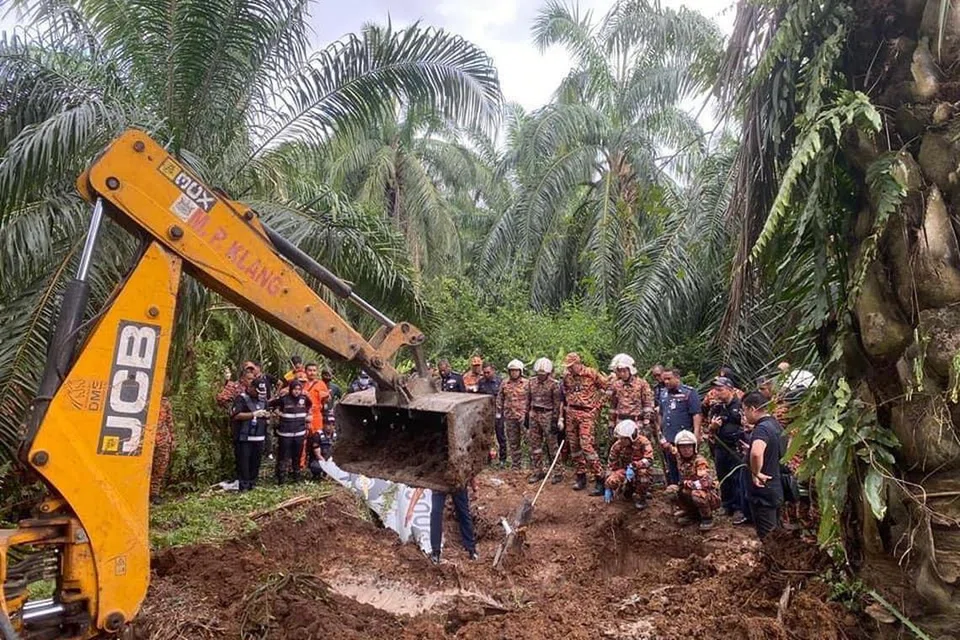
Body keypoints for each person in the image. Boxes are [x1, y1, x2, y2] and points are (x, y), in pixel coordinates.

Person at [561, 352, 608, 495]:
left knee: (587, 446)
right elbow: (566, 392)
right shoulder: (567, 377)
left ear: (578, 363)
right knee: (574, 446)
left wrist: (597, 406)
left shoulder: (591, 374)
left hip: (587, 413)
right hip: (571, 413)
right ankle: (580, 476)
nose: (569, 369)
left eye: (571, 366)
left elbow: (607, 389)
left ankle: (600, 477)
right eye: (567, 367)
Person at [742, 391, 785, 539]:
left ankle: (773, 560)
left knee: (768, 536)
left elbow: (757, 453)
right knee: (777, 532)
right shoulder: (774, 424)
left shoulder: (762, 428)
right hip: (775, 487)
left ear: (752, 409)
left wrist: (756, 473)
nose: (744, 415)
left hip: (763, 491)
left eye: (744, 410)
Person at [704, 377, 746, 523]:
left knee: (737, 477)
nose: (717, 393)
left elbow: (748, 426)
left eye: (720, 390)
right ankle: (727, 504)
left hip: (736, 447)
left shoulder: (740, 406)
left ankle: (739, 508)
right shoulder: (716, 407)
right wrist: (713, 427)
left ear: (730, 390)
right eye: (715, 390)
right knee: (723, 475)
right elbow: (708, 427)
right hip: (720, 446)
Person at [655, 368, 701, 487]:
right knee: (671, 467)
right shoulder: (663, 393)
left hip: (683, 439)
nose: (666, 382)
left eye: (669, 379)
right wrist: (660, 433)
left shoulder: (689, 393)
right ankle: (674, 491)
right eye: (664, 379)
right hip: (668, 437)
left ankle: (687, 493)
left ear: (677, 378)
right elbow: (661, 413)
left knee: (686, 469)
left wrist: (696, 436)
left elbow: (696, 415)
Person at [666, 430, 720, 530]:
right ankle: (691, 513)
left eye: (688, 446)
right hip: (688, 489)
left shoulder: (700, 461)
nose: (686, 450)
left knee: (697, 494)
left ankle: (707, 517)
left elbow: (705, 482)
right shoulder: (679, 457)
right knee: (672, 490)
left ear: (693, 447)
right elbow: (668, 447)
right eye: (682, 447)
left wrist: (687, 484)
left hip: (706, 494)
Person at [231, 370, 270, 491]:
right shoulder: (241, 399)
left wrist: (267, 415)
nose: (259, 395)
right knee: (243, 463)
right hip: (244, 437)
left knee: (255, 463)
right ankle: (243, 486)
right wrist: (253, 414)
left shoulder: (263, 400)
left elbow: (268, 414)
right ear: (251, 387)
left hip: (259, 437)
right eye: (257, 391)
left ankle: (252, 484)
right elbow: (236, 415)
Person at [604, 420, 654, 510]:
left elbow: (649, 460)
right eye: (620, 438)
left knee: (643, 474)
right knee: (612, 480)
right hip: (624, 471)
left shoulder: (643, 442)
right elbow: (611, 465)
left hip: (639, 470)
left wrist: (634, 466)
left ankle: (641, 497)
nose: (621, 440)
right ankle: (628, 489)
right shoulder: (617, 446)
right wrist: (608, 485)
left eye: (624, 438)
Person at [269, 379, 312, 484]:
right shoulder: (284, 399)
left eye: (299, 389)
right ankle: (281, 479)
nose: (296, 391)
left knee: (297, 456)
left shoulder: (304, 399)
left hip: (299, 433)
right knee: (283, 456)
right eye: (294, 389)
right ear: (290, 389)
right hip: (285, 434)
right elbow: (270, 404)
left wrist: (308, 417)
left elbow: (309, 406)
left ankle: (296, 478)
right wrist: (277, 413)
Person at [527, 357, 562, 484]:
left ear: (548, 373)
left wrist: (554, 420)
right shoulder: (531, 382)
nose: (540, 376)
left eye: (543, 374)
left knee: (552, 445)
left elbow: (557, 404)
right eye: (539, 373)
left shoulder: (554, 384)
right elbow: (528, 399)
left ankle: (558, 472)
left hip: (548, 414)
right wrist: (527, 415)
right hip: (534, 414)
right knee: (535, 445)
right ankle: (538, 471)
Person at [608, 354, 654, 439]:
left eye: (624, 371)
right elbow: (612, 405)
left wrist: (647, 422)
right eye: (620, 371)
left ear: (630, 370)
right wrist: (611, 424)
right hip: (620, 422)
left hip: (637, 422)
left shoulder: (642, 384)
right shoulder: (616, 385)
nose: (622, 374)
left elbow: (647, 404)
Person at [430, 488, 478, 564]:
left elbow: (469, 475)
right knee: (436, 515)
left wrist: (474, 487)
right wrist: (474, 487)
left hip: (455, 483)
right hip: (440, 482)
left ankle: (471, 549)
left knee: (463, 513)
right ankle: (435, 551)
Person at [498, 360, 529, 470]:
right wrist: (499, 412)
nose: (514, 373)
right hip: (510, 417)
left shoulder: (526, 383)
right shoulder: (504, 383)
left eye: (516, 371)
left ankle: (535, 465)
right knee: (513, 442)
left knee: (530, 440)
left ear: (520, 371)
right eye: (512, 371)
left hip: (523, 417)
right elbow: (500, 398)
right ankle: (516, 465)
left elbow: (531, 398)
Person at [476, 363, 505, 465]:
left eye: (488, 372)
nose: (486, 374)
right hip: (485, 414)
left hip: (498, 412)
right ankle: (487, 459)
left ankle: (502, 459)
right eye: (484, 373)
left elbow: (504, 398)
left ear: (493, 371)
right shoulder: (481, 382)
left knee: (500, 435)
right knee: (485, 436)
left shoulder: (500, 382)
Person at [150, 395, 175, 503]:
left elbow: (169, 421)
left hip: (162, 440)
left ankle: (154, 493)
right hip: (146, 440)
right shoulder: (144, 399)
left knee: (160, 467)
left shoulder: (165, 402)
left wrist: (173, 438)